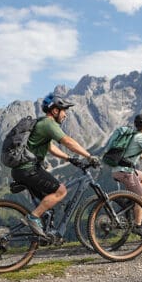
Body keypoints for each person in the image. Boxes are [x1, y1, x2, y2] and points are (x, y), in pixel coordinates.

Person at [11, 94, 99, 237]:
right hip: (29, 169)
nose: (65, 115)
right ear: (55, 111)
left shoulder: (43, 124)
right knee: (61, 191)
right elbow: (68, 141)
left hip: (23, 170)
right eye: (64, 110)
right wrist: (89, 156)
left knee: (48, 206)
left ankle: (44, 233)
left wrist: (69, 158)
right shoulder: (48, 124)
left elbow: (51, 147)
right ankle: (33, 219)